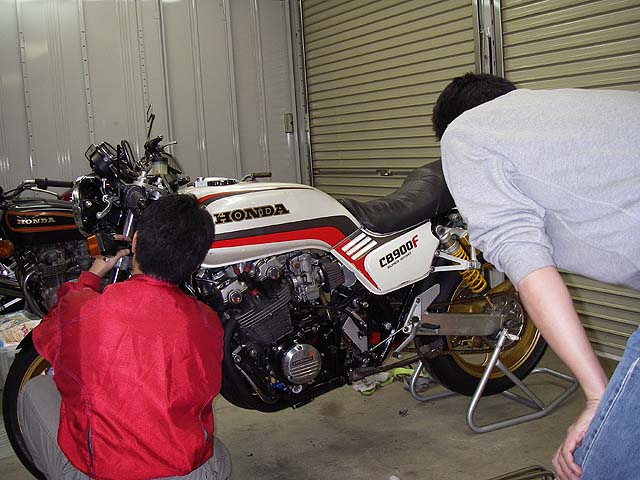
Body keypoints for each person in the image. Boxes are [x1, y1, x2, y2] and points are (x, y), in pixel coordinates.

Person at [432, 73, 640, 480]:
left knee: (596, 464)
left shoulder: (464, 133)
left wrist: (597, 396)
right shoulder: (578, 109)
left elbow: (529, 267)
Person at [18, 194, 230, 480]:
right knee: (219, 454)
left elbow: (47, 336)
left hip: (104, 472)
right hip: (189, 473)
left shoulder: (83, 309)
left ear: (135, 241)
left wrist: (94, 273)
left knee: (34, 390)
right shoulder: (209, 321)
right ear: (195, 264)